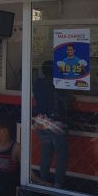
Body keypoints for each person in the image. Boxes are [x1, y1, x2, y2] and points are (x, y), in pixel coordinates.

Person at [32, 60, 72, 188]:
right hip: (56, 122)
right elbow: (66, 100)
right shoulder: (59, 83)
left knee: (46, 152)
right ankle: (58, 184)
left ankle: (43, 181)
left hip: (41, 120)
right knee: (61, 153)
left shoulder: (37, 83)